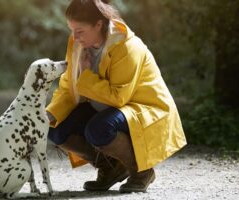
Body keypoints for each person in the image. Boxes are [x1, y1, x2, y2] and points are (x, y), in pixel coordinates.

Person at [46, 0, 187, 193]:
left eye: (80, 30)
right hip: (106, 107)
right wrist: (49, 115)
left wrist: (86, 75)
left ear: (98, 24)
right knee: (56, 129)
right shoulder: (77, 43)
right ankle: (111, 167)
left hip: (142, 108)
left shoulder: (128, 46)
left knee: (99, 128)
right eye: (72, 30)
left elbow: (119, 97)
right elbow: (67, 86)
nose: (74, 37)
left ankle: (142, 171)